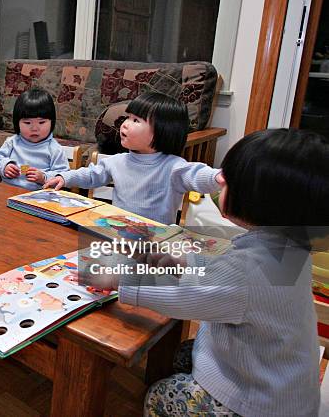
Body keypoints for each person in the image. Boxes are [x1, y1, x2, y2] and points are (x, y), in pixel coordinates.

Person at [112, 128, 328, 416]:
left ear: (261, 201)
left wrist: (121, 281)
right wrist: (182, 261)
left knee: (158, 396)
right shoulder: (289, 249)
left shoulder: (251, 268)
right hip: (286, 392)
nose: (220, 181)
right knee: (184, 353)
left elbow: (186, 296)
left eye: (230, 181)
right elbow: (225, 280)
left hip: (254, 404)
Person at [44, 91, 222, 224]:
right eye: (127, 118)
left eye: (136, 120)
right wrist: (64, 177)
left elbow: (198, 175)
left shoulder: (173, 166)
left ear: (163, 130)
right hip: (118, 233)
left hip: (154, 243)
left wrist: (218, 177)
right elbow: (91, 175)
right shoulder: (117, 161)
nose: (125, 124)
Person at [0, 88, 69, 190]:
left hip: (38, 198)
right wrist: (4, 166)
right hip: (7, 191)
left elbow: (63, 175)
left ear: (52, 122)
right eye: (27, 123)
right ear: (17, 123)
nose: (34, 128)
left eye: (41, 122)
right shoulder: (12, 142)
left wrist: (44, 177)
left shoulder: (54, 149)